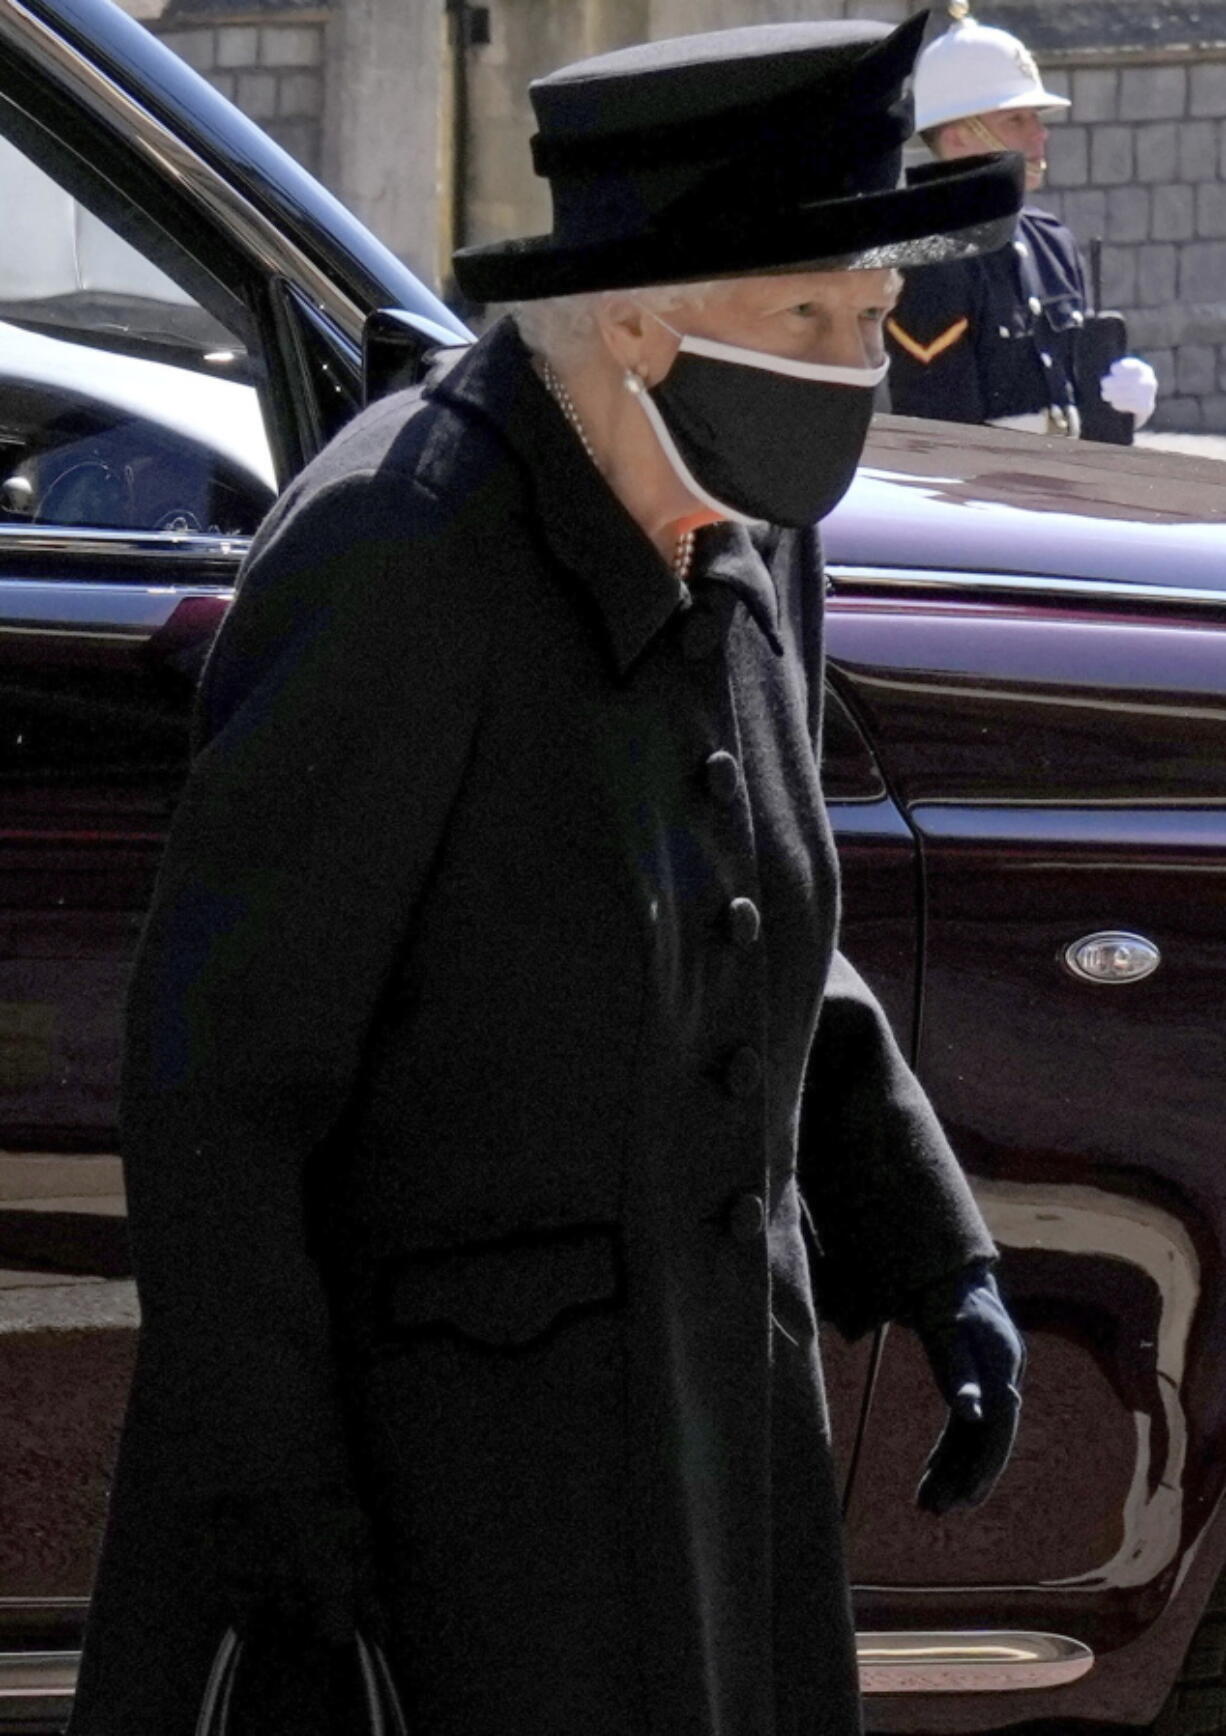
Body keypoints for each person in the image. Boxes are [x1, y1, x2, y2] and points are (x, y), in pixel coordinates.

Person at [67, 16, 1026, 1736]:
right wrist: (277, 1512)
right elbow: (221, 1090)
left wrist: (930, 1246)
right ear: (639, 317)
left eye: (870, 315)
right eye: (804, 315)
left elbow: (768, 927)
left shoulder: (746, 526)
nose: (854, 364)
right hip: (459, 1507)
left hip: (710, 1438)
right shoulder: (403, 553)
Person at [886, 0, 1158, 440]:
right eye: (1016, 119)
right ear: (958, 136)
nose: (1040, 134)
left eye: (1036, 118)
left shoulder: (1051, 240)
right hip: (983, 494)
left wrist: (1117, 403)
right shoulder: (924, 254)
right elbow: (938, 427)